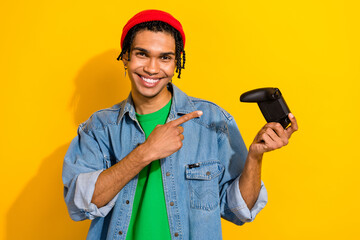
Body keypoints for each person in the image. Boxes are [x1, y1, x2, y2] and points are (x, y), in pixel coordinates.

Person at [62, 9, 298, 240]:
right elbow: (80, 204)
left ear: (177, 62)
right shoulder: (99, 128)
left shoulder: (212, 122)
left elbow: (240, 210)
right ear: (125, 57)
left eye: (165, 57)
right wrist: (145, 153)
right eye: (142, 54)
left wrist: (255, 157)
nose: (152, 68)